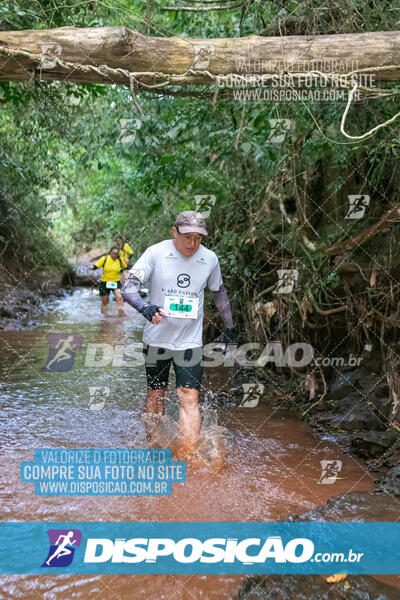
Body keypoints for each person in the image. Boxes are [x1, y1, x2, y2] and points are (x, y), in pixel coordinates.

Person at [122, 211, 235, 445]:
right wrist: (145, 308)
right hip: (156, 339)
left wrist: (230, 326)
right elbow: (128, 286)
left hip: (189, 341)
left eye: (198, 238)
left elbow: (219, 291)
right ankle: (153, 445)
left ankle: (189, 455)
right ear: (174, 232)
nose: (192, 244)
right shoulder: (156, 253)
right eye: (187, 237)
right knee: (156, 393)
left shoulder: (210, 259)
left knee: (189, 395)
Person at [90, 246, 128, 316]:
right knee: (105, 302)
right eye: (113, 253)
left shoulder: (119, 260)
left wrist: (123, 276)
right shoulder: (104, 259)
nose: (115, 255)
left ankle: (121, 315)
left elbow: (124, 267)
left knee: (119, 297)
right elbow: (96, 266)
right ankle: (103, 318)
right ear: (110, 253)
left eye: (116, 254)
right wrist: (92, 267)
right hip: (104, 283)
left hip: (116, 282)